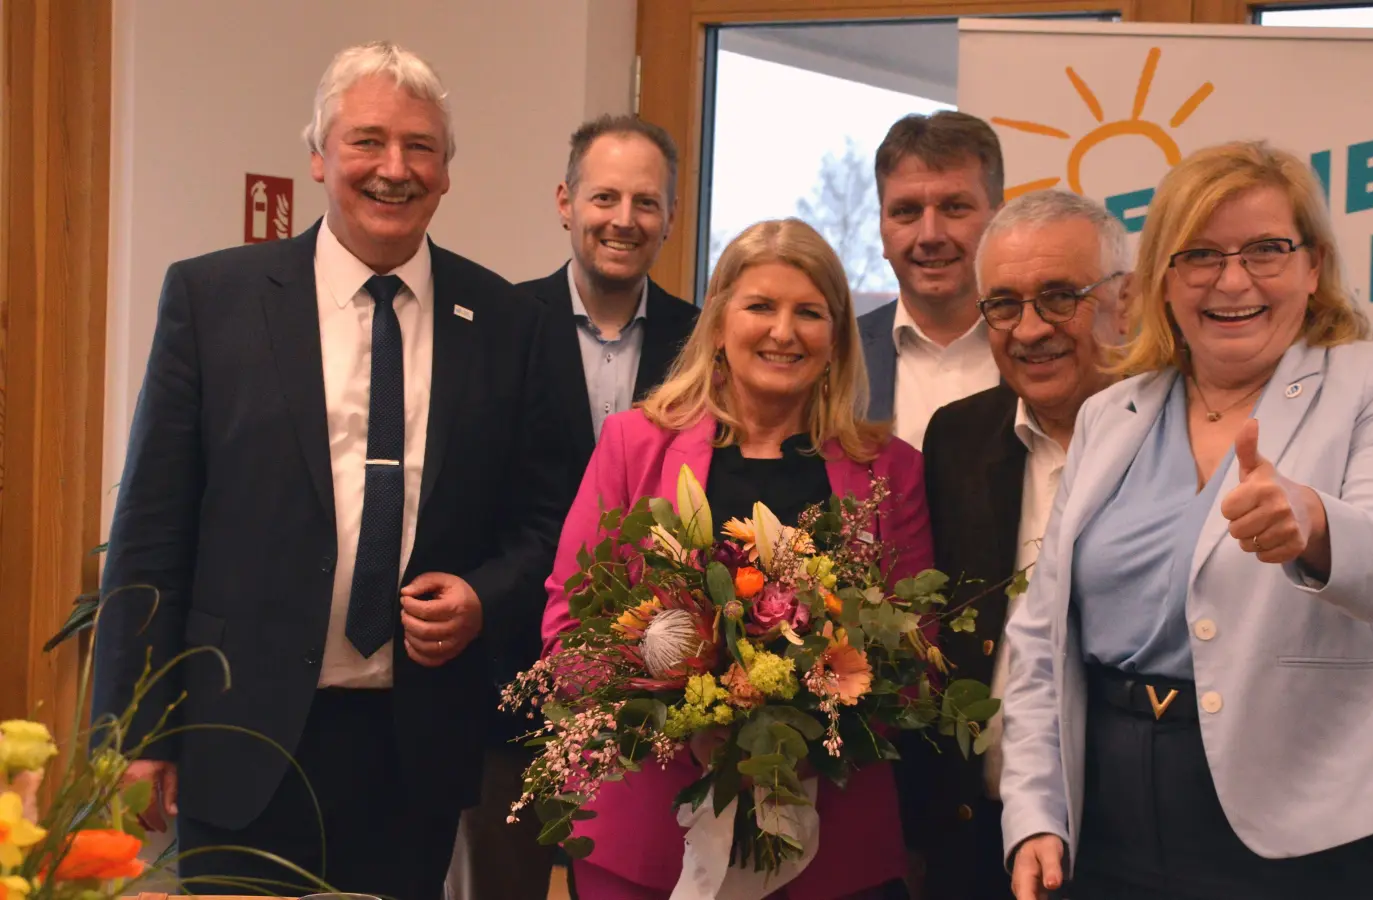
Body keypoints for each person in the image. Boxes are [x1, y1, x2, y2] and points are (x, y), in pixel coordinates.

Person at [92, 41, 564, 900]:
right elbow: (152, 534)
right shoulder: (212, 301)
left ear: (448, 172)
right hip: (245, 737)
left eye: (420, 146)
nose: (395, 168)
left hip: (411, 749)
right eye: (367, 141)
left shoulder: (507, 323)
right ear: (317, 155)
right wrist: (134, 733)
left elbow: (545, 523)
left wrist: (484, 598)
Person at [1002, 140, 1373, 900]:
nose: (1233, 279)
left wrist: (1314, 526)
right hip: (1115, 814)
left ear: (1314, 268)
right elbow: (1041, 640)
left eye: (1268, 250)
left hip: (1317, 827)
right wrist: (1036, 812)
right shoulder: (1113, 412)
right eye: (1201, 255)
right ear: (1165, 283)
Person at [540, 218, 932, 899]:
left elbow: (915, 656)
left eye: (809, 312)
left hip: (835, 854)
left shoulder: (890, 471)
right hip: (649, 848)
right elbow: (569, 631)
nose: (784, 332)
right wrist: (689, 722)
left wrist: (797, 732)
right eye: (761, 307)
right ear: (719, 322)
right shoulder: (636, 444)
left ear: (837, 336)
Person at [448, 113, 698, 900]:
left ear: (670, 218)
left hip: (659, 700)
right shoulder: (496, 328)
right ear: (565, 200)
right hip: (511, 685)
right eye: (605, 197)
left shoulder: (704, 344)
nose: (624, 220)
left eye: (646, 202)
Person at [912, 189, 1127, 899]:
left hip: (1130, 845)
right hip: (979, 844)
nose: (1029, 329)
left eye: (1060, 297)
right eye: (1003, 304)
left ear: (1123, 299)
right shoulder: (958, 436)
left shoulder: (1182, 436)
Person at [857, 111, 1004, 451]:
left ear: (999, 222)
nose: (930, 235)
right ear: (882, 229)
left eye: (954, 207)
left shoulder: (1043, 351)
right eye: (906, 211)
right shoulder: (834, 357)